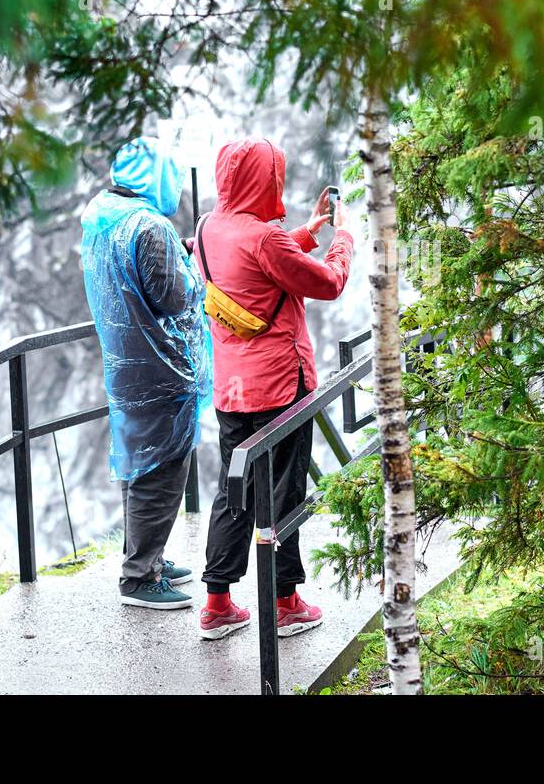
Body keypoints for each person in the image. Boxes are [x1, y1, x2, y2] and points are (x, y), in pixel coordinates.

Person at [193, 137, 355, 640]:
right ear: (266, 181)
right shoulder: (265, 238)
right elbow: (327, 283)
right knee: (284, 494)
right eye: (275, 176)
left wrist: (305, 231)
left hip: (232, 388)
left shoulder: (208, 227)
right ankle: (286, 602)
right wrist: (342, 238)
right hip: (281, 386)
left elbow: (259, 270)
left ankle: (217, 603)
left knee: (233, 490)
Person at [80, 137, 212, 609]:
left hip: (126, 364)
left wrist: (175, 253)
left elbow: (134, 278)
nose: (175, 184)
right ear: (154, 176)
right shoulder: (149, 225)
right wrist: (195, 268)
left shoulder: (102, 215)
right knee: (162, 469)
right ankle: (139, 578)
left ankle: (146, 557)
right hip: (161, 368)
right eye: (172, 174)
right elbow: (172, 296)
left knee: (140, 463)